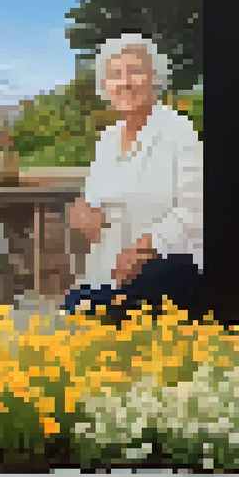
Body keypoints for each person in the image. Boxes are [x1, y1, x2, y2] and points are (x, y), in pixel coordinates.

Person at [64, 33, 203, 321]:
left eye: (135, 72)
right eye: (115, 75)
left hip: (169, 264)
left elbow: (196, 210)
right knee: (76, 309)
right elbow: (93, 204)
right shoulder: (107, 138)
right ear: (105, 86)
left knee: (92, 312)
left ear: (155, 79)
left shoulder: (180, 132)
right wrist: (84, 214)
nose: (125, 82)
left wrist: (144, 248)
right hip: (110, 268)